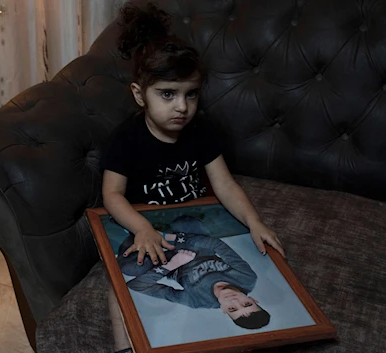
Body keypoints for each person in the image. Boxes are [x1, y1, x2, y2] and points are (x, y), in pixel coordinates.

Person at [101, 4, 284, 351]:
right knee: (118, 285)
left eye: (191, 94)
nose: (182, 107)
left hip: (192, 226)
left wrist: (254, 221)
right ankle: (124, 347)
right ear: (140, 95)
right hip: (145, 229)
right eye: (167, 94)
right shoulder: (125, 138)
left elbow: (225, 184)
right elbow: (112, 195)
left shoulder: (201, 131)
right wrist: (142, 229)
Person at [118, 216, 270, 330]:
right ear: (254, 300)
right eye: (246, 303)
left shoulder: (197, 301)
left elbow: (137, 285)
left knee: (131, 268)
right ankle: (157, 232)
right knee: (188, 224)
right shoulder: (247, 278)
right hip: (198, 247)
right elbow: (218, 245)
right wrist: (169, 238)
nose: (234, 301)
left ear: (224, 311)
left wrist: (172, 265)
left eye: (232, 309)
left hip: (168, 262)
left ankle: (136, 232)